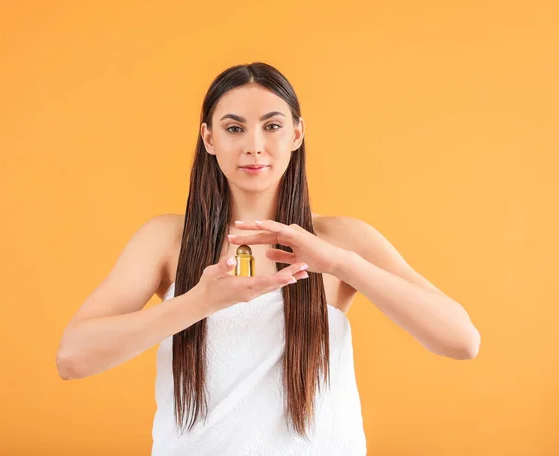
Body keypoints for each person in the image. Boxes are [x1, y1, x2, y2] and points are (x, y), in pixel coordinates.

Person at [56, 62, 481, 455]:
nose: (254, 147)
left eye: (272, 126)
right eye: (234, 128)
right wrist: (200, 302)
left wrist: (339, 263)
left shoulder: (341, 239)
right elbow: (73, 358)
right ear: (209, 139)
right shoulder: (167, 239)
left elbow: (461, 340)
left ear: (296, 134)